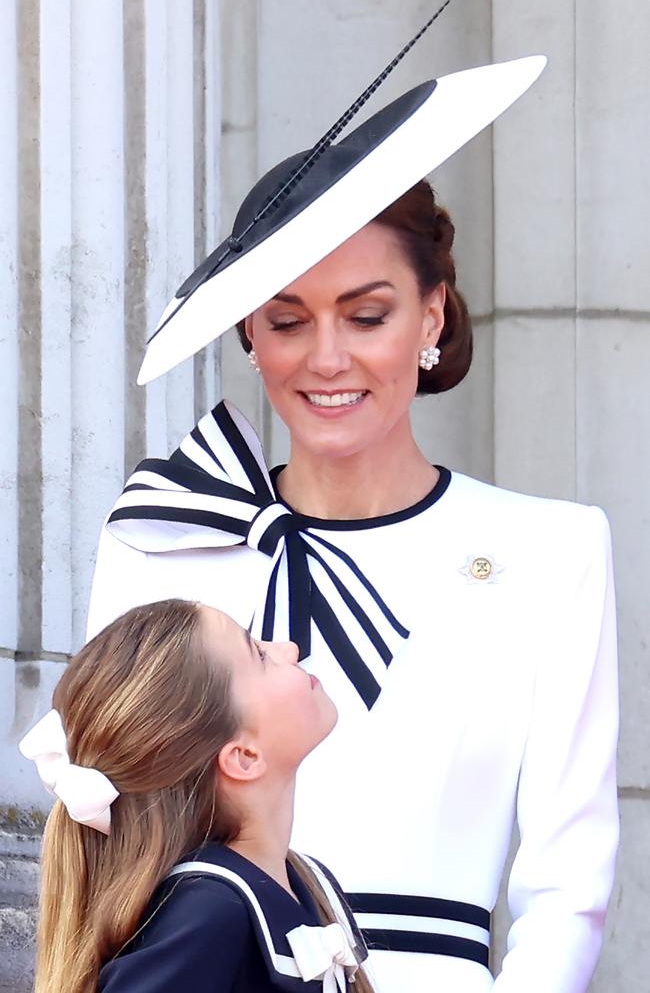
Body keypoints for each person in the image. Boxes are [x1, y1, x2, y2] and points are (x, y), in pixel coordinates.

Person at [86, 53, 617, 993]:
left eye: (366, 315)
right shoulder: (160, 539)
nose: (326, 359)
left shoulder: (555, 551)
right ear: (249, 336)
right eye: (287, 322)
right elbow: (110, 841)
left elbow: (567, 888)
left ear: (431, 317)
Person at [20, 599, 372, 993]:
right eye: (259, 654)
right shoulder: (211, 913)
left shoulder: (307, 882)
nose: (288, 648)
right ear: (243, 757)